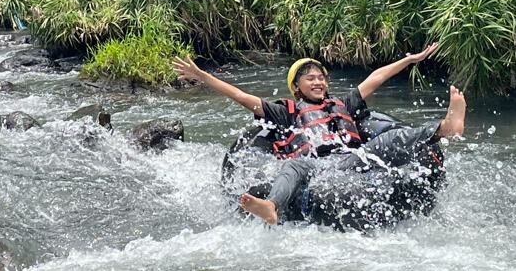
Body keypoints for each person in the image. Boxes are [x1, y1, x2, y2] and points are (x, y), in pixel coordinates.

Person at [172, 44, 466, 225]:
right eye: (310, 78)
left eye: (321, 78)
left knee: (390, 139)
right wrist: (203, 76)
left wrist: (410, 60)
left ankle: (445, 128)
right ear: (296, 87)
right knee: (293, 166)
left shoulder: (343, 104)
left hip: (354, 159)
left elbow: (375, 77)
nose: (319, 81)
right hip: (317, 167)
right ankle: (271, 207)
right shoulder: (284, 111)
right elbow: (240, 95)